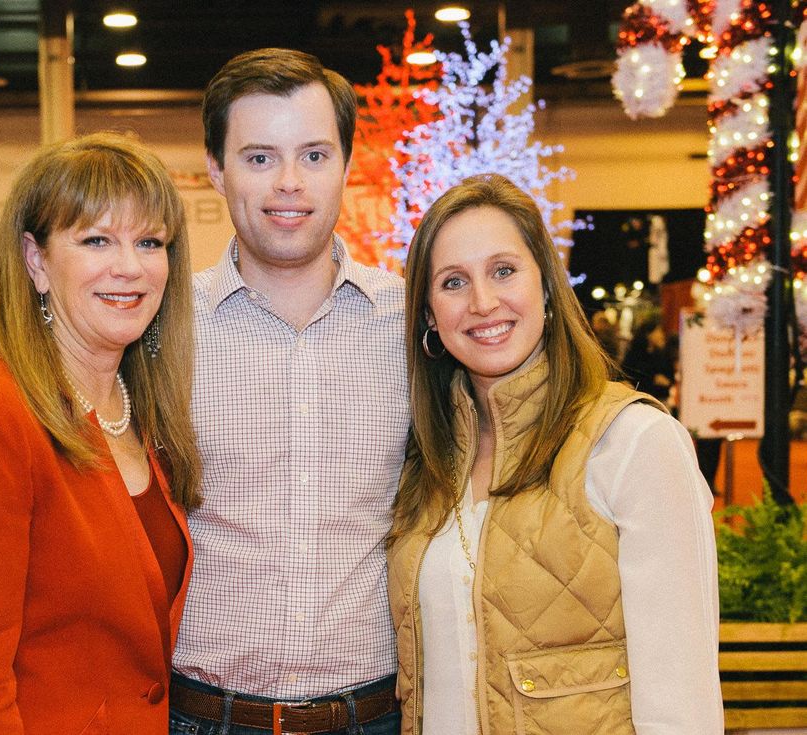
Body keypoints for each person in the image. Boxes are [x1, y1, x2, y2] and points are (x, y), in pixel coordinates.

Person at [388, 174, 722, 733]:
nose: (482, 302)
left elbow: (681, 701)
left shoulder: (634, 442)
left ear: (545, 287)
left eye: (503, 270)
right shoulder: (425, 467)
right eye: (452, 282)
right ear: (428, 315)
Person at [0, 132, 200, 734]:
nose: (130, 266)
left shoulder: (146, 410)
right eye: (97, 240)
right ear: (35, 260)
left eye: (150, 242)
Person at [170, 48, 408, 735]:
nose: (289, 184)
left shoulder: (410, 323)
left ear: (345, 164)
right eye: (259, 157)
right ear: (215, 168)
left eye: (313, 155)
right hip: (204, 716)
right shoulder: (163, 330)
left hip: (374, 715)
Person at [620, 313, 675, 406]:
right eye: (658, 331)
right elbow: (631, 375)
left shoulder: (660, 352)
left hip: (661, 400)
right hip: (642, 400)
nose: (661, 334)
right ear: (648, 334)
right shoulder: (635, 353)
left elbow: (669, 374)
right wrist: (653, 379)